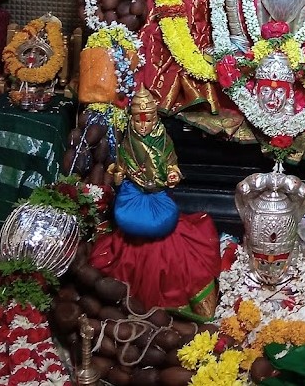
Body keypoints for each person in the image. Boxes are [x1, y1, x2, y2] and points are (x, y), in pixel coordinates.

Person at [89, 85, 221, 318]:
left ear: (155, 119)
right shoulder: (128, 139)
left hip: (157, 192)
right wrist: (118, 175)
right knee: (127, 219)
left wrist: (172, 174)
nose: (142, 126)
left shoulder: (163, 139)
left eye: (147, 122)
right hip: (134, 191)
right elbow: (120, 166)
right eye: (138, 122)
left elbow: (171, 164)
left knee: (164, 223)